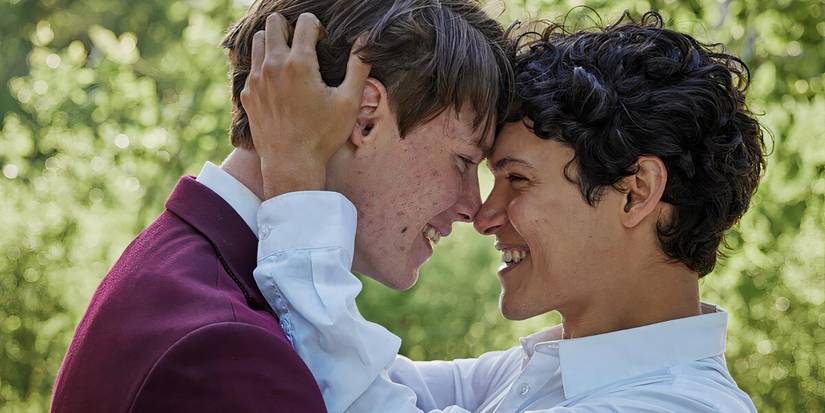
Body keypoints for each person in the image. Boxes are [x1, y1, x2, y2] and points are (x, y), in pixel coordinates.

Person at [247, 10, 765, 413]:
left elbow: (360, 396)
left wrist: (295, 174)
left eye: (517, 179)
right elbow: (362, 376)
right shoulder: (544, 371)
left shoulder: (676, 404)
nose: (483, 216)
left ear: (636, 192)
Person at [49, 1, 512, 411]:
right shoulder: (227, 352)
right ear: (365, 116)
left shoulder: (184, 269)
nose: (473, 208)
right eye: (463, 161)